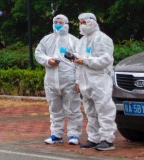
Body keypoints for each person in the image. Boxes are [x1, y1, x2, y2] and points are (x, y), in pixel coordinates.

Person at [34, 14, 83, 145]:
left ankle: (74, 134)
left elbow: (79, 62)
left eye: (61, 22)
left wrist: (78, 81)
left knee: (73, 108)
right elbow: (38, 53)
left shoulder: (74, 41)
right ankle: (56, 134)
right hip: (51, 81)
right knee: (54, 109)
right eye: (56, 21)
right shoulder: (46, 39)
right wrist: (48, 61)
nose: (58, 23)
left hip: (69, 81)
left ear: (66, 24)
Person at [74, 13, 116, 151]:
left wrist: (86, 61)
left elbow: (105, 60)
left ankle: (107, 139)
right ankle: (94, 138)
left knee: (104, 109)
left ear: (93, 22)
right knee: (90, 111)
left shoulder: (102, 38)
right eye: (80, 22)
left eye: (84, 22)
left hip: (99, 81)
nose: (82, 25)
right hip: (85, 81)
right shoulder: (81, 41)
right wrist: (77, 82)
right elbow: (78, 64)